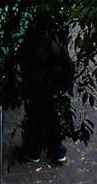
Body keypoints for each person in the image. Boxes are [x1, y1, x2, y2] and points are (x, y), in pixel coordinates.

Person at [17, 24, 74, 166]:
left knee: (37, 117)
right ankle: (55, 150)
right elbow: (68, 65)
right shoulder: (57, 42)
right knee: (50, 117)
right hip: (53, 87)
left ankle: (35, 150)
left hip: (40, 86)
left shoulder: (36, 44)